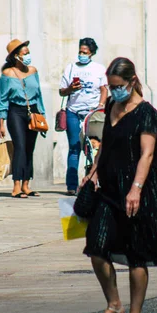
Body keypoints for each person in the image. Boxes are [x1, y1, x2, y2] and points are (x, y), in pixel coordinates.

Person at [82, 57, 157, 313]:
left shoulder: (147, 113)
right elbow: (106, 144)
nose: (114, 90)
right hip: (109, 190)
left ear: (131, 81)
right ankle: (114, 305)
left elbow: (148, 153)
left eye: (118, 85)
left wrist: (136, 188)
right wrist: (93, 172)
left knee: (136, 255)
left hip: (141, 192)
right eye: (110, 85)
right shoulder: (111, 106)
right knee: (96, 247)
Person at [0, 39, 46, 198]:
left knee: (30, 147)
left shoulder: (33, 71)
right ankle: (16, 185)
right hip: (15, 112)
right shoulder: (7, 74)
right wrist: (1, 122)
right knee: (20, 146)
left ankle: (26, 184)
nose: (28, 55)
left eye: (28, 52)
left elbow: (39, 95)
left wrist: (42, 115)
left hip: (33, 111)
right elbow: (2, 99)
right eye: (25, 53)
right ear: (16, 56)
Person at [59, 38, 108, 196]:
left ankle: (93, 180)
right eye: (80, 52)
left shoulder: (99, 69)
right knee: (74, 147)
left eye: (85, 52)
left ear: (92, 53)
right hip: (73, 110)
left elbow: (104, 89)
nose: (82, 55)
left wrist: (101, 104)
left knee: (93, 148)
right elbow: (62, 91)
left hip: (91, 113)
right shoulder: (71, 67)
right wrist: (70, 88)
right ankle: (71, 185)